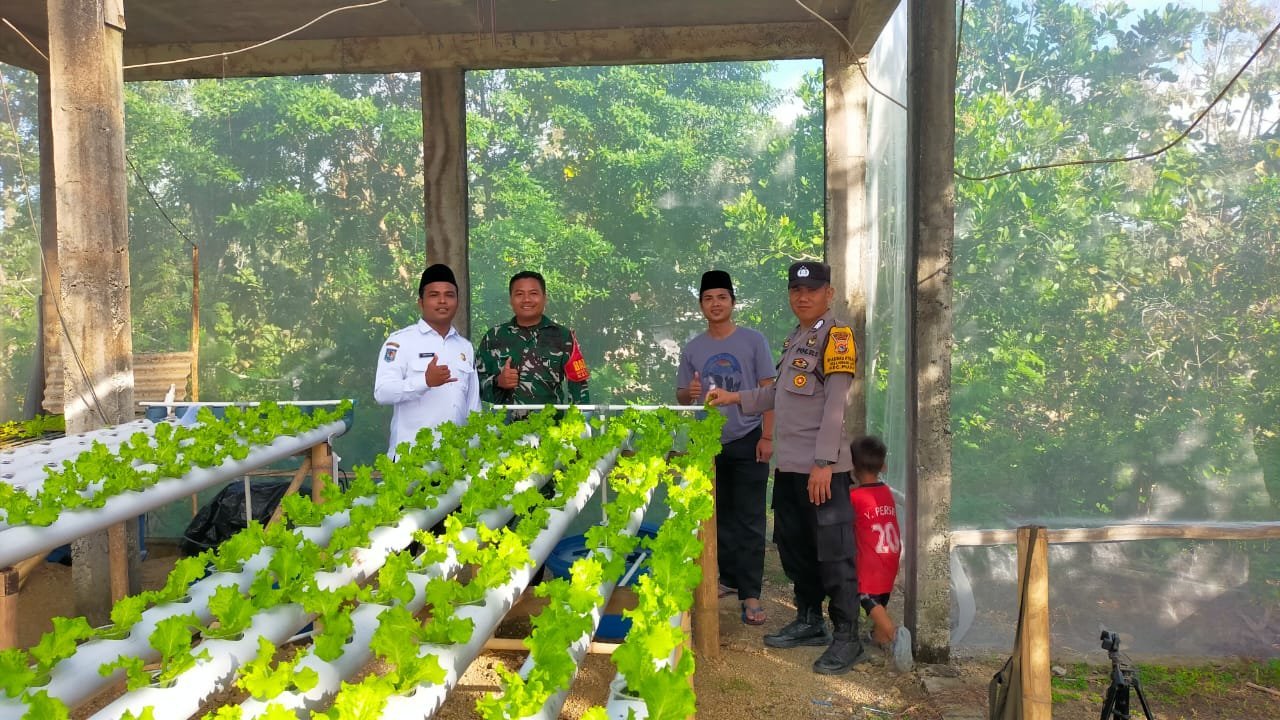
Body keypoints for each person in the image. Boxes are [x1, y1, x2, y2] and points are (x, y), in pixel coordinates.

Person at [707, 260, 867, 675]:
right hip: (791, 467)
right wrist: (733, 398)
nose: (803, 297)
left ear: (829, 294)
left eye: (812, 290)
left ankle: (847, 637)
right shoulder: (798, 338)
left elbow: (835, 405)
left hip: (822, 470)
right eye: (796, 290)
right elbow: (778, 395)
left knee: (834, 555)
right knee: (797, 550)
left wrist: (824, 462)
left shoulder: (837, 337)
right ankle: (810, 620)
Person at [676, 270, 775, 626]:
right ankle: (727, 579)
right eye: (708, 298)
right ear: (701, 305)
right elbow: (683, 396)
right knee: (716, 516)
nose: (715, 304)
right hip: (707, 442)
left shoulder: (753, 341)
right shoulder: (693, 348)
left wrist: (767, 436)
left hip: (747, 437)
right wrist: (688, 393)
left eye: (721, 297)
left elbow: (769, 391)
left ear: (732, 302)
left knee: (749, 517)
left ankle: (751, 593)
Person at [374, 263, 480, 458]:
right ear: (421, 303)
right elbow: (382, 393)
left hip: (455, 459)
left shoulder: (464, 347)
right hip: (411, 458)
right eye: (434, 295)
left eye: (449, 295)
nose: (442, 301)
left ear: (457, 302)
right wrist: (425, 381)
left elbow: (473, 407)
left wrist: (474, 454)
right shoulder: (400, 342)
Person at [475, 270, 590, 410]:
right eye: (519, 294)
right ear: (511, 300)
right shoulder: (493, 337)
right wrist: (498, 381)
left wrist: (579, 420)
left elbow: (579, 389)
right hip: (504, 423)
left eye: (533, 293)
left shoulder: (564, 337)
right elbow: (473, 387)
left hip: (549, 422)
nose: (526, 299)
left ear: (545, 298)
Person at [849, 435, 914, 673]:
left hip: (871, 560)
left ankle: (895, 634)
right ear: (883, 466)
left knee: (867, 598)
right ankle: (879, 637)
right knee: (881, 597)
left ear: (852, 467)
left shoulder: (854, 497)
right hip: (891, 555)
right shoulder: (886, 492)